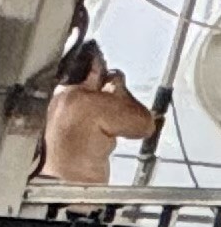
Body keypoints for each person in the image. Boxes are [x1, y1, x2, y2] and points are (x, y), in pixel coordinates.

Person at [42, 39, 158, 183]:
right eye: (102, 61)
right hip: (80, 201)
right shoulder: (93, 103)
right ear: (93, 70)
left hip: (49, 197)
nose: (106, 68)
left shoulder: (54, 101)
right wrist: (120, 90)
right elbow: (145, 127)